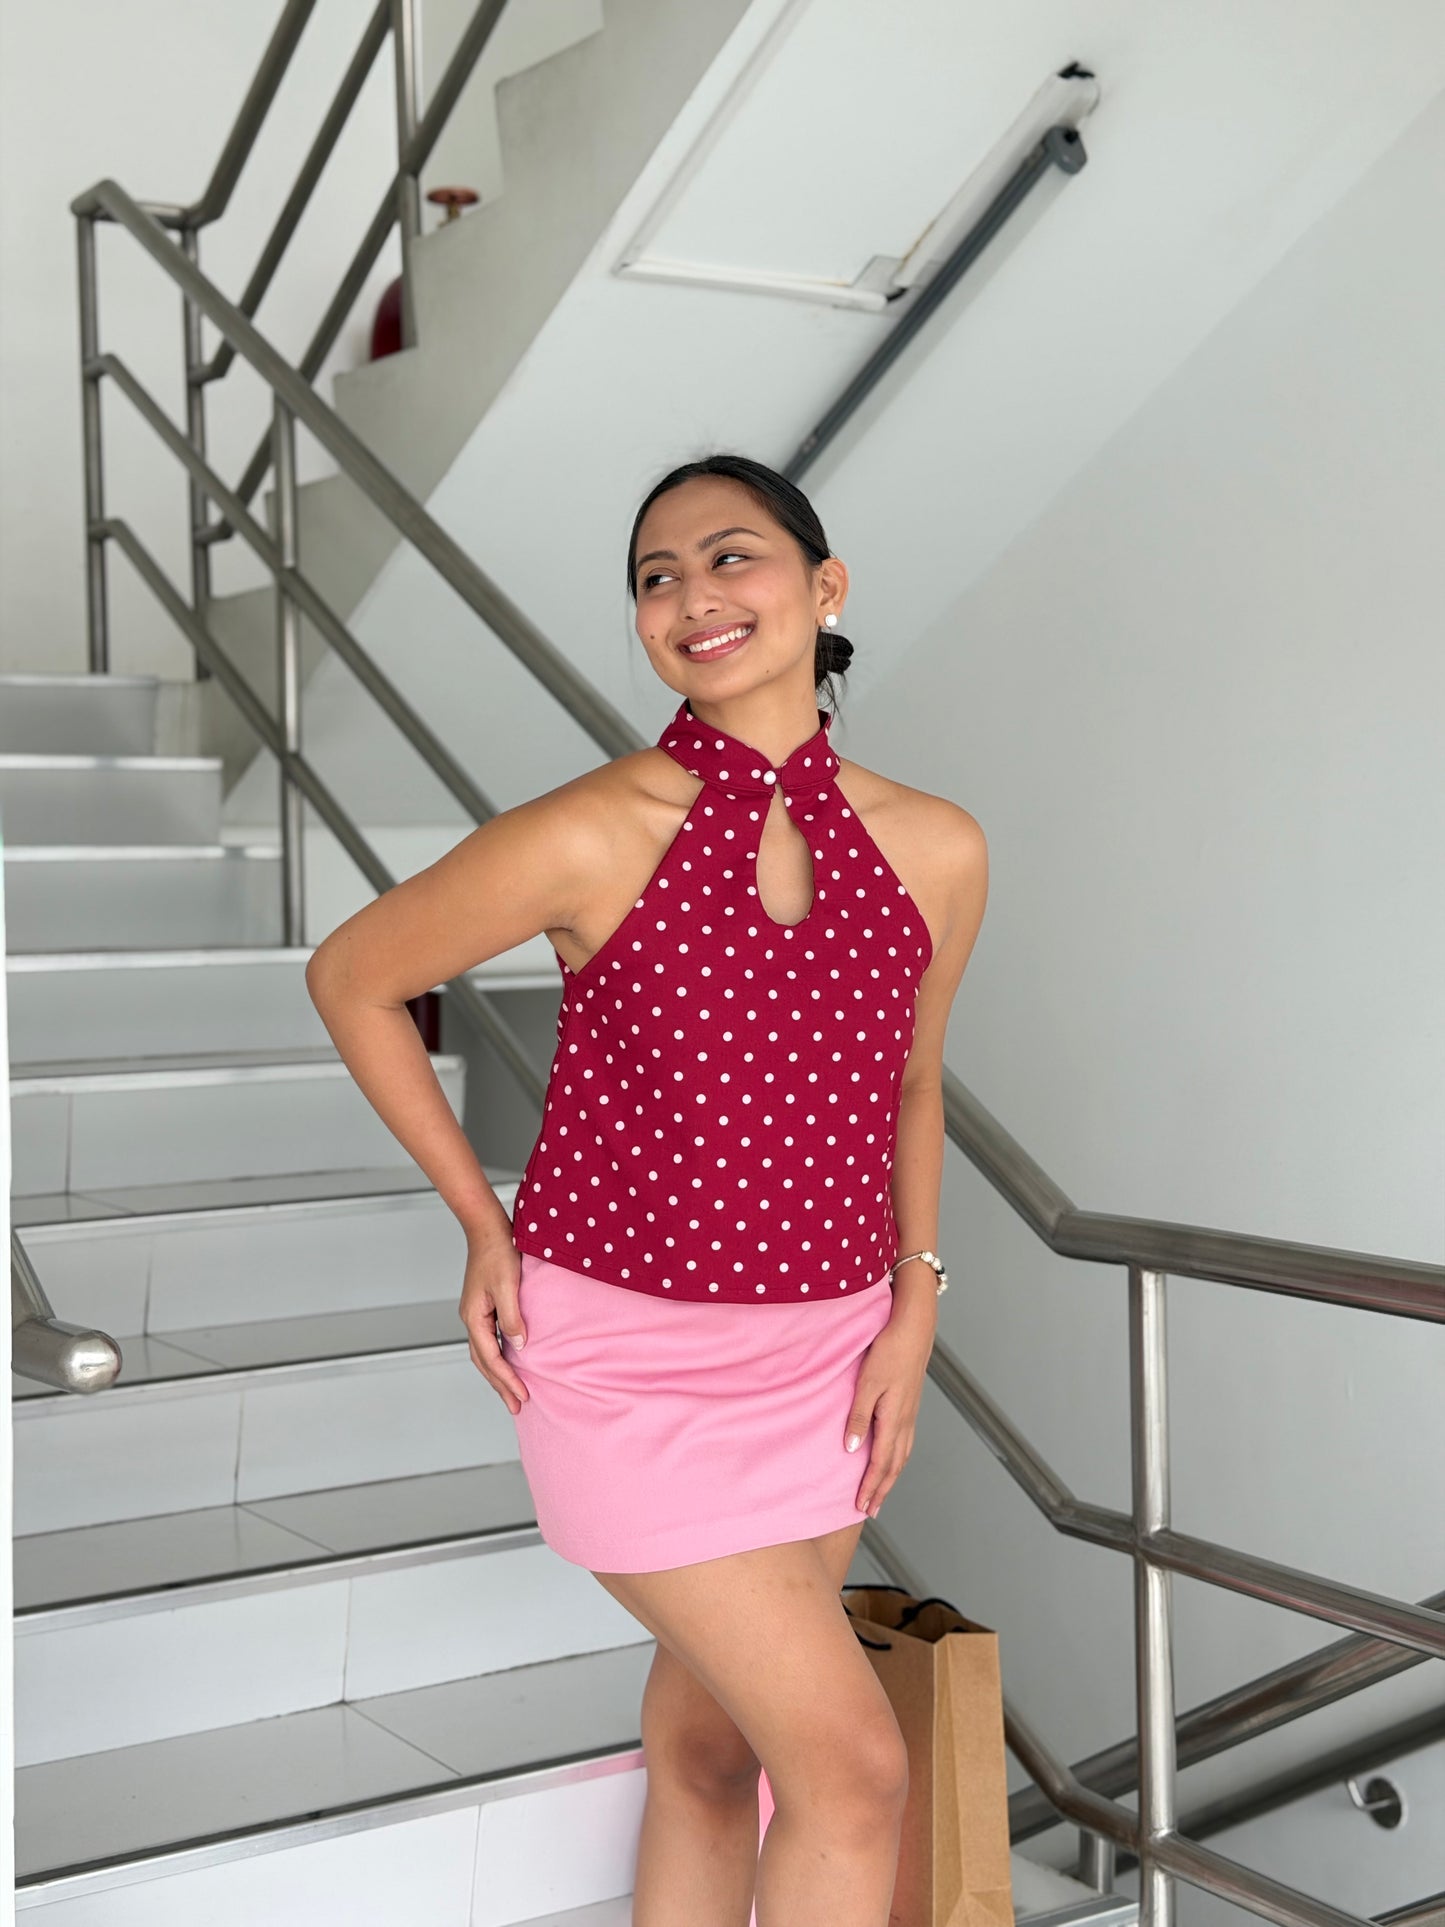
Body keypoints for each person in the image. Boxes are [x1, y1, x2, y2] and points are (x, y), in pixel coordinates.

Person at [305, 452, 989, 1925]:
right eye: (654, 578)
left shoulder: (935, 848)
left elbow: (912, 1086)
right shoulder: (591, 831)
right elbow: (355, 978)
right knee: (853, 1773)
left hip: (825, 1358)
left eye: (728, 558)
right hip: (629, 1363)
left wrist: (912, 1304)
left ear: (824, 587)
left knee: (702, 1746)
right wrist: (482, 1221)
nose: (689, 598)